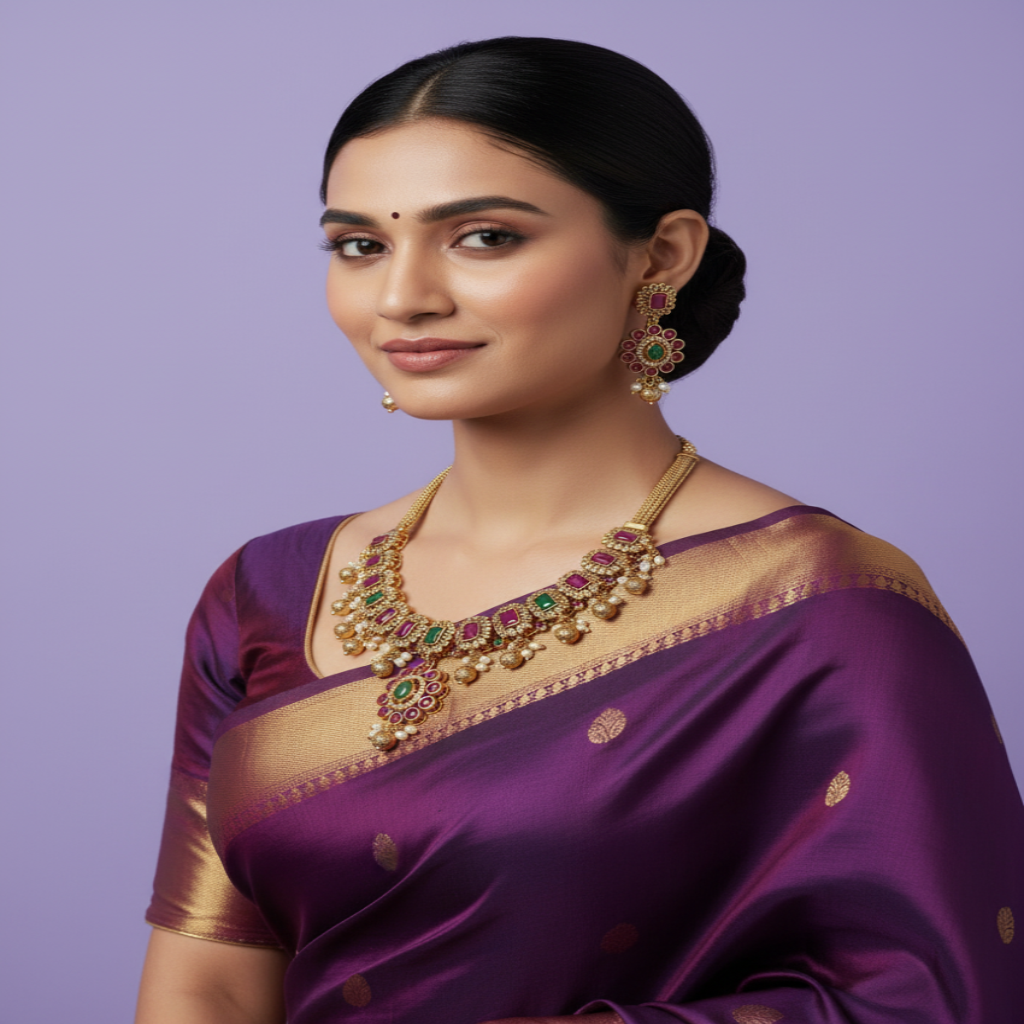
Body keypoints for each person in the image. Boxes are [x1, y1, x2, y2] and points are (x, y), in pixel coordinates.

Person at [135, 37, 1023, 1024]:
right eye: (360, 245)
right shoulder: (267, 589)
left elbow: (931, 997)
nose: (401, 297)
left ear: (663, 253)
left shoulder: (822, 603)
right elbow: (207, 984)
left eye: (483, 237)